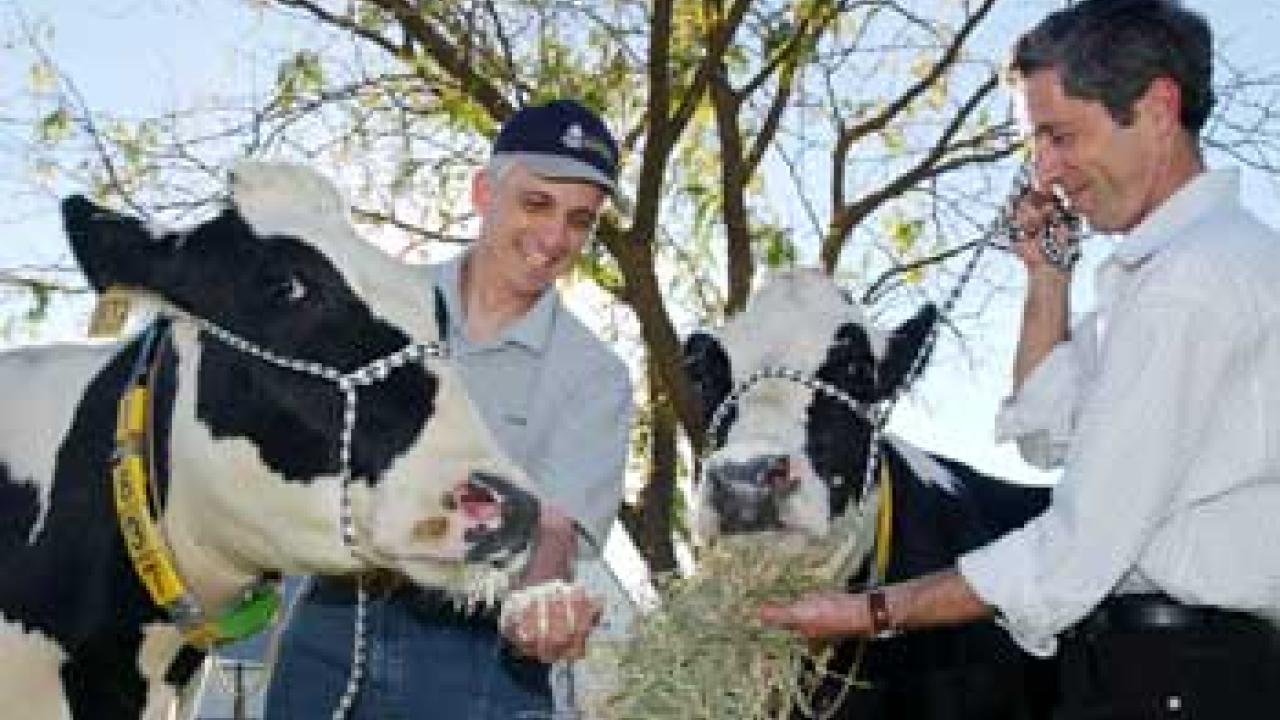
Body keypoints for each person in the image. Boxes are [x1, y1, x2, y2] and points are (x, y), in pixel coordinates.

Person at [759, 1, 1280, 717]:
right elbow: (1047, 435)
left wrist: (867, 612)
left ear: (1159, 107)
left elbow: (1075, 548)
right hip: (1151, 672)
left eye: (1061, 136)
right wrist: (1047, 274)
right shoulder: (1166, 279)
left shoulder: (1190, 287)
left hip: (1181, 679)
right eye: (1034, 143)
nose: (1046, 169)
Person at [264, 99, 633, 719]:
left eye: (579, 221)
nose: (554, 238)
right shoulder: (375, 308)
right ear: (485, 192)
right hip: (328, 624)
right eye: (536, 203)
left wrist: (541, 601)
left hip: (480, 659)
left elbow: (554, 528)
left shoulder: (595, 376)